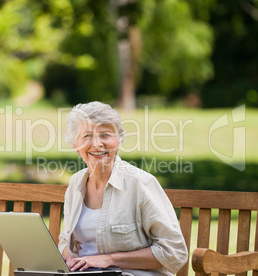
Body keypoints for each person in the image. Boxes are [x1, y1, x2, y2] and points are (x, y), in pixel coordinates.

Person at [58, 101, 188, 275]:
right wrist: (69, 256)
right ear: (75, 145)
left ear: (118, 142)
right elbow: (65, 240)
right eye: (87, 136)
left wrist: (108, 259)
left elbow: (174, 253)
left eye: (105, 135)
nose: (97, 144)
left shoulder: (140, 183)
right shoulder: (76, 183)